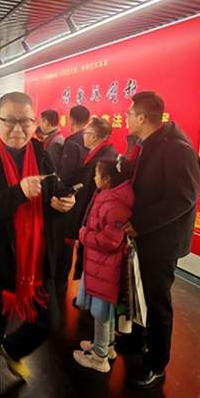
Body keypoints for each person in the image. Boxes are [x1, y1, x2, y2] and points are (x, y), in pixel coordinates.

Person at [0, 91, 76, 397]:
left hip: (36, 261)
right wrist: (18, 193)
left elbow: (51, 193)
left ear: (34, 122)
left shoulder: (40, 153)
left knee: (48, 322)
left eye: (25, 121)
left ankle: (11, 348)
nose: (18, 129)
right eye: (9, 121)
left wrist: (63, 203)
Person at [122, 91, 200, 389]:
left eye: (130, 114)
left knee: (157, 303)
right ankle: (138, 340)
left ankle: (156, 364)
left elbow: (183, 198)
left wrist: (139, 224)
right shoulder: (149, 144)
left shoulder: (177, 148)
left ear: (142, 117)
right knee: (138, 294)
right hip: (145, 237)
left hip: (161, 241)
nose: (126, 118)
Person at [73, 158, 133, 373]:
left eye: (97, 175)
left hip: (107, 267)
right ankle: (107, 347)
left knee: (102, 312)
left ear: (107, 179)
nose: (94, 178)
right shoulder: (108, 196)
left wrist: (83, 235)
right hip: (100, 265)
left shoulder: (115, 204)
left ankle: (99, 358)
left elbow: (110, 241)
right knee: (104, 311)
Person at [59, 117, 117, 290]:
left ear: (94, 137)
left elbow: (91, 194)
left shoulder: (102, 161)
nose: (83, 136)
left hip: (93, 218)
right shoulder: (99, 154)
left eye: (86, 133)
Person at [58, 104, 90, 186]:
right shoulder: (92, 138)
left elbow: (66, 172)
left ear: (71, 120)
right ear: (88, 120)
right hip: (86, 185)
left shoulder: (72, 142)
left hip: (73, 187)